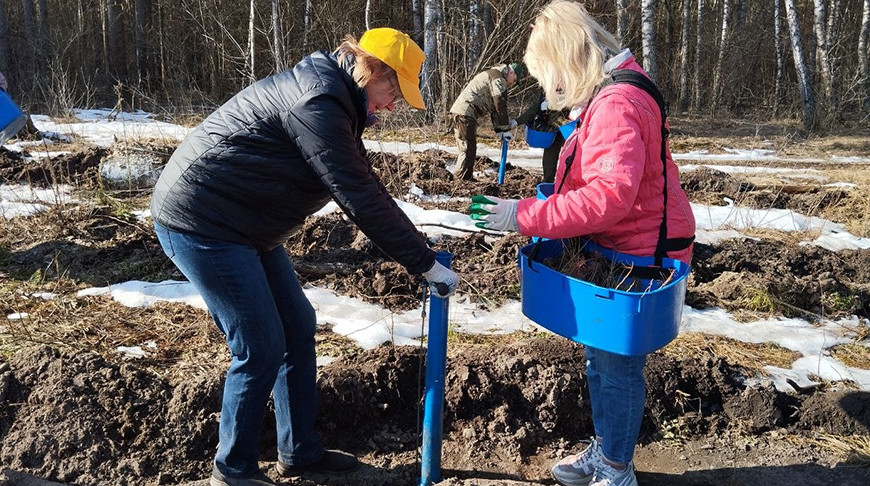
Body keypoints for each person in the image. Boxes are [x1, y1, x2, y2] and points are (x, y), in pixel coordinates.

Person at [150, 28, 459, 486]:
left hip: (245, 223)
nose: (393, 104)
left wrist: (421, 252)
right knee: (260, 346)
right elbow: (359, 198)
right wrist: (423, 263)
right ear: (369, 68)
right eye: (393, 89)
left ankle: (298, 452)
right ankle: (231, 470)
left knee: (296, 325)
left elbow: (367, 185)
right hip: (202, 222)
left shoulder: (337, 101)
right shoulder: (316, 104)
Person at [468, 2, 695, 486]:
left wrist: (522, 216)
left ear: (568, 62)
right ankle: (609, 449)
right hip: (617, 245)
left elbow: (609, 198)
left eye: (551, 78)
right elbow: (603, 177)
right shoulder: (609, 98)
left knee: (615, 366)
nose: (550, 92)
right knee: (600, 356)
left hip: (639, 255)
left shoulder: (617, 105)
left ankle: (617, 469)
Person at [449, 62, 523, 180]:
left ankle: (463, 178)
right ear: (511, 72)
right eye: (514, 80)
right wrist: (505, 128)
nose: (512, 84)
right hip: (465, 114)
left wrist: (500, 130)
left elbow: (494, 109)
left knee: (468, 148)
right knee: (468, 148)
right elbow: (500, 104)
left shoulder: (495, 76)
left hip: (462, 112)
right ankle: (461, 180)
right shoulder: (498, 79)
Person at [514, 86, 570, 183]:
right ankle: (548, 182)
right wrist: (517, 121)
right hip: (554, 127)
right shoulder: (547, 88)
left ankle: (571, 182)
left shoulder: (574, 84)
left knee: (572, 153)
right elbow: (534, 108)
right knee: (551, 152)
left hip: (571, 126)